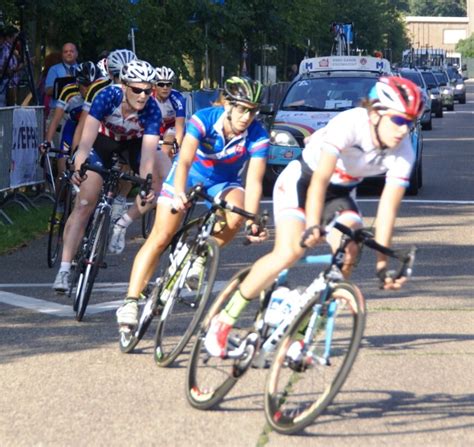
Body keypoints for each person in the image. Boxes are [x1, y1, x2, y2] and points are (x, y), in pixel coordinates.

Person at [204, 76, 424, 357]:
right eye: (399, 121)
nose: (404, 131)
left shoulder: (403, 150)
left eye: (411, 122)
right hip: (304, 179)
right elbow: (320, 178)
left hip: (341, 193)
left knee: (350, 252)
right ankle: (224, 321)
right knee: (290, 250)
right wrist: (311, 226)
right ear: (376, 112)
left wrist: (383, 263)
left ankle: (300, 335)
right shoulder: (351, 123)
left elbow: (388, 207)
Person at [116, 75, 270, 327]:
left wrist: (253, 219)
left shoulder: (258, 135)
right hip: (187, 177)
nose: (247, 117)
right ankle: (130, 301)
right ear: (228, 105)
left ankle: (197, 254)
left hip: (223, 182)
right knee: (162, 236)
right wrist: (178, 192)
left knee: (239, 215)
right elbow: (185, 160)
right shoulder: (205, 119)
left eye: (253, 112)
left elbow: (254, 181)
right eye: (242, 109)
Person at [52, 59, 170, 293]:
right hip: (101, 143)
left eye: (148, 90)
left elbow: (147, 156)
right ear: (124, 86)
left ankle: (122, 223)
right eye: (137, 89)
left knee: (160, 180)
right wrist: (79, 163)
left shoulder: (152, 110)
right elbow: (86, 142)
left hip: (132, 146)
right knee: (85, 202)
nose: (143, 95)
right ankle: (64, 269)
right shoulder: (107, 97)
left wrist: (146, 183)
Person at [40, 61, 98, 183]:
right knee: (63, 173)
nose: (89, 89)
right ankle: (59, 199)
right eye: (85, 85)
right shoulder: (68, 91)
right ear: (78, 83)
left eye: (91, 85)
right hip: (71, 130)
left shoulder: (99, 90)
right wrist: (47, 141)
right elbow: (56, 119)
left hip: (91, 131)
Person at [153, 66, 186, 156]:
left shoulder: (178, 98)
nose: (165, 87)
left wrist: (177, 146)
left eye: (168, 84)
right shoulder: (149, 97)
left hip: (170, 127)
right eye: (161, 84)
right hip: (153, 126)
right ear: (154, 85)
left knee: (166, 148)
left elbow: (179, 127)